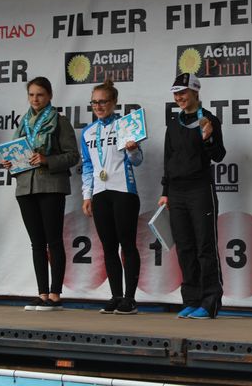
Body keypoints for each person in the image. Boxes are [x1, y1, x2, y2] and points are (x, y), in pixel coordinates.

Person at [2, 77, 79, 312]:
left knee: (53, 240)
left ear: (50, 96)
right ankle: (42, 293)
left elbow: (72, 156)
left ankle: (55, 295)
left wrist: (47, 160)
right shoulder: (23, 123)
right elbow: (16, 152)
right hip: (26, 187)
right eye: (32, 95)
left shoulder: (59, 121)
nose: (35, 99)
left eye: (40, 95)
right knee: (37, 243)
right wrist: (10, 162)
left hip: (51, 186)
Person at [159, 73, 226, 319]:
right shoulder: (174, 123)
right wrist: (165, 192)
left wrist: (208, 138)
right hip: (176, 192)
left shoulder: (208, 119)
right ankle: (191, 299)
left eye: (183, 92)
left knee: (204, 246)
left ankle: (210, 302)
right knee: (185, 247)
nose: (179, 97)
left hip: (200, 189)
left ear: (195, 92)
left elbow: (219, 155)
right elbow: (168, 159)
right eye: (176, 93)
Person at [80, 79, 143, 315]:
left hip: (124, 191)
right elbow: (87, 166)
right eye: (94, 102)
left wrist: (133, 149)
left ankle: (130, 298)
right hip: (100, 193)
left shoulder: (126, 125)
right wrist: (87, 196)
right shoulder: (87, 132)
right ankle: (116, 296)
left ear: (114, 102)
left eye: (103, 102)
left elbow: (138, 160)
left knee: (127, 245)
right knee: (108, 247)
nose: (98, 106)